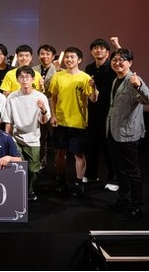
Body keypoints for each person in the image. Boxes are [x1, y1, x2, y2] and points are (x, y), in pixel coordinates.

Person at [105, 48, 149, 222]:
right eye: (114, 60)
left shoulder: (134, 79)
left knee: (132, 171)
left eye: (121, 60)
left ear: (130, 63)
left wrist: (138, 86)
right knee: (119, 168)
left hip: (128, 132)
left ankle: (136, 206)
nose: (117, 63)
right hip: (113, 130)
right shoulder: (116, 79)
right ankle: (123, 200)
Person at [49, 46, 98, 197]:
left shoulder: (85, 78)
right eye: (67, 57)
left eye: (72, 57)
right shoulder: (58, 76)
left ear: (79, 60)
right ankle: (61, 180)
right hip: (61, 121)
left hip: (79, 122)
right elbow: (53, 97)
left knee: (78, 154)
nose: (69, 59)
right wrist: (53, 115)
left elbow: (93, 99)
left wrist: (94, 86)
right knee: (60, 153)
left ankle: (78, 183)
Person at [4, 66, 51, 201]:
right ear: (17, 79)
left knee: (33, 169)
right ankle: (18, 191)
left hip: (33, 138)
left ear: (33, 79)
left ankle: (29, 189)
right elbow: (8, 122)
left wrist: (43, 110)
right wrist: (7, 140)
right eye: (21, 77)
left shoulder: (40, 97)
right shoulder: (12, 97)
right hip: (15, 137)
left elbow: (44, 121)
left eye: (27, 77)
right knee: (17, 166)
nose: (24, 80)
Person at [84, 37, 120, 191]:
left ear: (107, 52)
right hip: (93, 110)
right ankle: (92, 174)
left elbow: (123, 59)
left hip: (108, 110)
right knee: (91, 144)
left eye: (102, 48)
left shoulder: (112, 65)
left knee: (108, 146)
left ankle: (114, 179)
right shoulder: (89, 68)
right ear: (91, 52)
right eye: (95, 48)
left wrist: (116, 45)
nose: (98, 50)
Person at [32, 44, 61, 173]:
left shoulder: (59, 71)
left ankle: (58, 165)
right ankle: (40, 164)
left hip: (54, 107)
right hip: (37, 107)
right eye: (42, 54)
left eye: (48, 54)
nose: (44, 56)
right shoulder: (33, 70)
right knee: (40, 137)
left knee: (55, 137)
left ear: (53, 56)